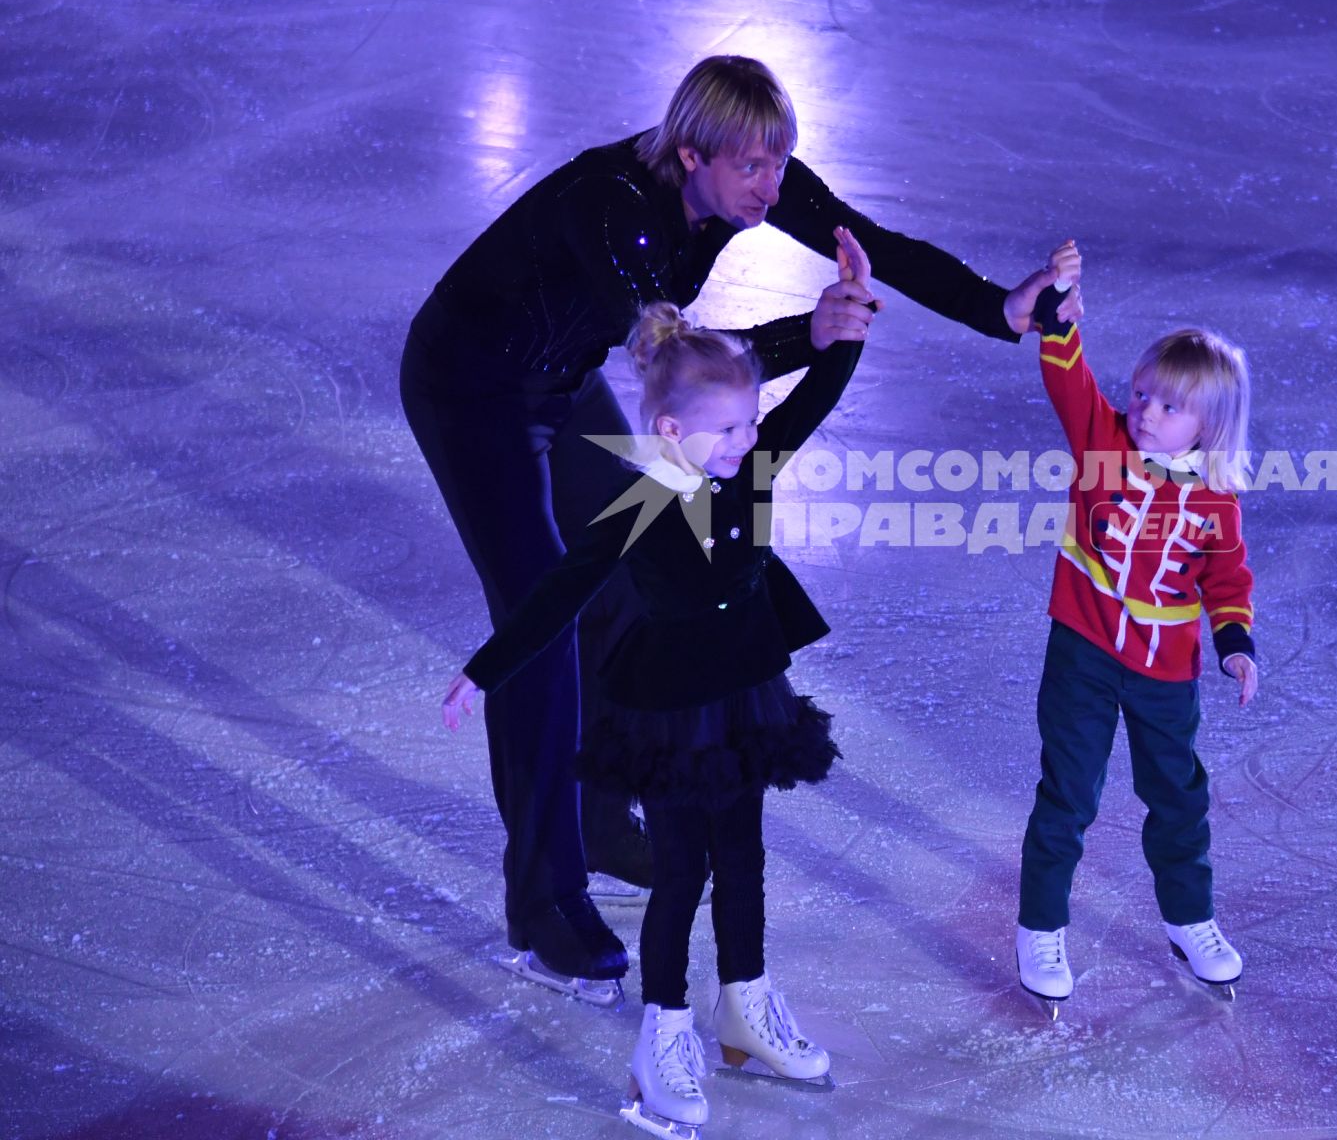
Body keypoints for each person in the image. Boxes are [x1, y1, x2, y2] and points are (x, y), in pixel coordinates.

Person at [401, 55, 1063, 989]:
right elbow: (678, 368)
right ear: (690, 156)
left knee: (631, 593)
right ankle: (542, 901)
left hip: (562, 380)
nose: (772, 184)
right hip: (472, 391)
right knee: (542, 626)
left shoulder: (750, 184)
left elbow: (862, 238)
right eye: (753, 166)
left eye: (780, 161)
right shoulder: (614, 212)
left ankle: (594, 819)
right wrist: (811, 334)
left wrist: (996, 307)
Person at [443, 239, 871, 1135]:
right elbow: (559, 589)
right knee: (682, 875)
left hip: (748, 695)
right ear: (673, 432)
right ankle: (663, 1040)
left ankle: (745, 1009)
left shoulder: (747, 469)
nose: (751, 441)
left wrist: (851, 321)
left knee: (745, 861)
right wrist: (486, 671)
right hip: (672, 718)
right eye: (732, 429)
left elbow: (817, 401)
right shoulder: (640, 505)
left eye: (753, 424)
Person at [1010, 241, 1261, 1013]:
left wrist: (1236, 647)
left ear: (1208, 426)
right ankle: (1040, 927)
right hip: (1084, 652)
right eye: (1143, 394)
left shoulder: (1216, 500)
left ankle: (1190, 920)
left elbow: (1226, 578)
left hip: (1165, 671)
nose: (1145, 411)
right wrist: (1059, 314)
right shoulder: (1102, 442)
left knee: (1179, 797)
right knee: (1070, 795)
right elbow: (1070, 379)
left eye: (1168, 405)